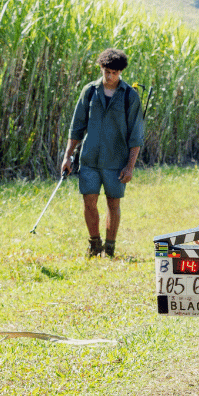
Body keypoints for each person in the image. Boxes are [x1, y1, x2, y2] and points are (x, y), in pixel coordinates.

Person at [61, 48, 145, 258]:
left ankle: (109, 248)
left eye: (114, 73)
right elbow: (76, 126)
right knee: (89, 202)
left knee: (113, 203)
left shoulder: (130, 96)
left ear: (120, 72)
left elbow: (136, 135)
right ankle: (94, 244)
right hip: (89, 159)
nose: (109, 76)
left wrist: (130, 166)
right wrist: (68, 156)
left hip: (116, 161)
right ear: (101, 68)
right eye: (106, 71)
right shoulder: (89, 91)